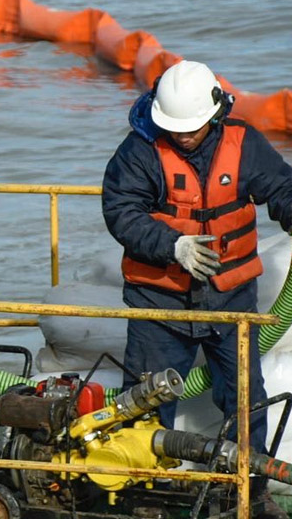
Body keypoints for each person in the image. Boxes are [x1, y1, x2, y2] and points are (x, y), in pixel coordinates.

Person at [102, 60, 292, 518]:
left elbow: (282, 188)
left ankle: (247, 491)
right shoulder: (140, 150)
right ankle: (145, 495)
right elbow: (121, 213)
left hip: (230, 300)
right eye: (176, 128)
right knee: (147, 400)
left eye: (192, 128)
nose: (184, 136)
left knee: (246, 400)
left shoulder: (244, 143)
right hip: (159, 303)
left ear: (214, 115)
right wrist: (174, 246)